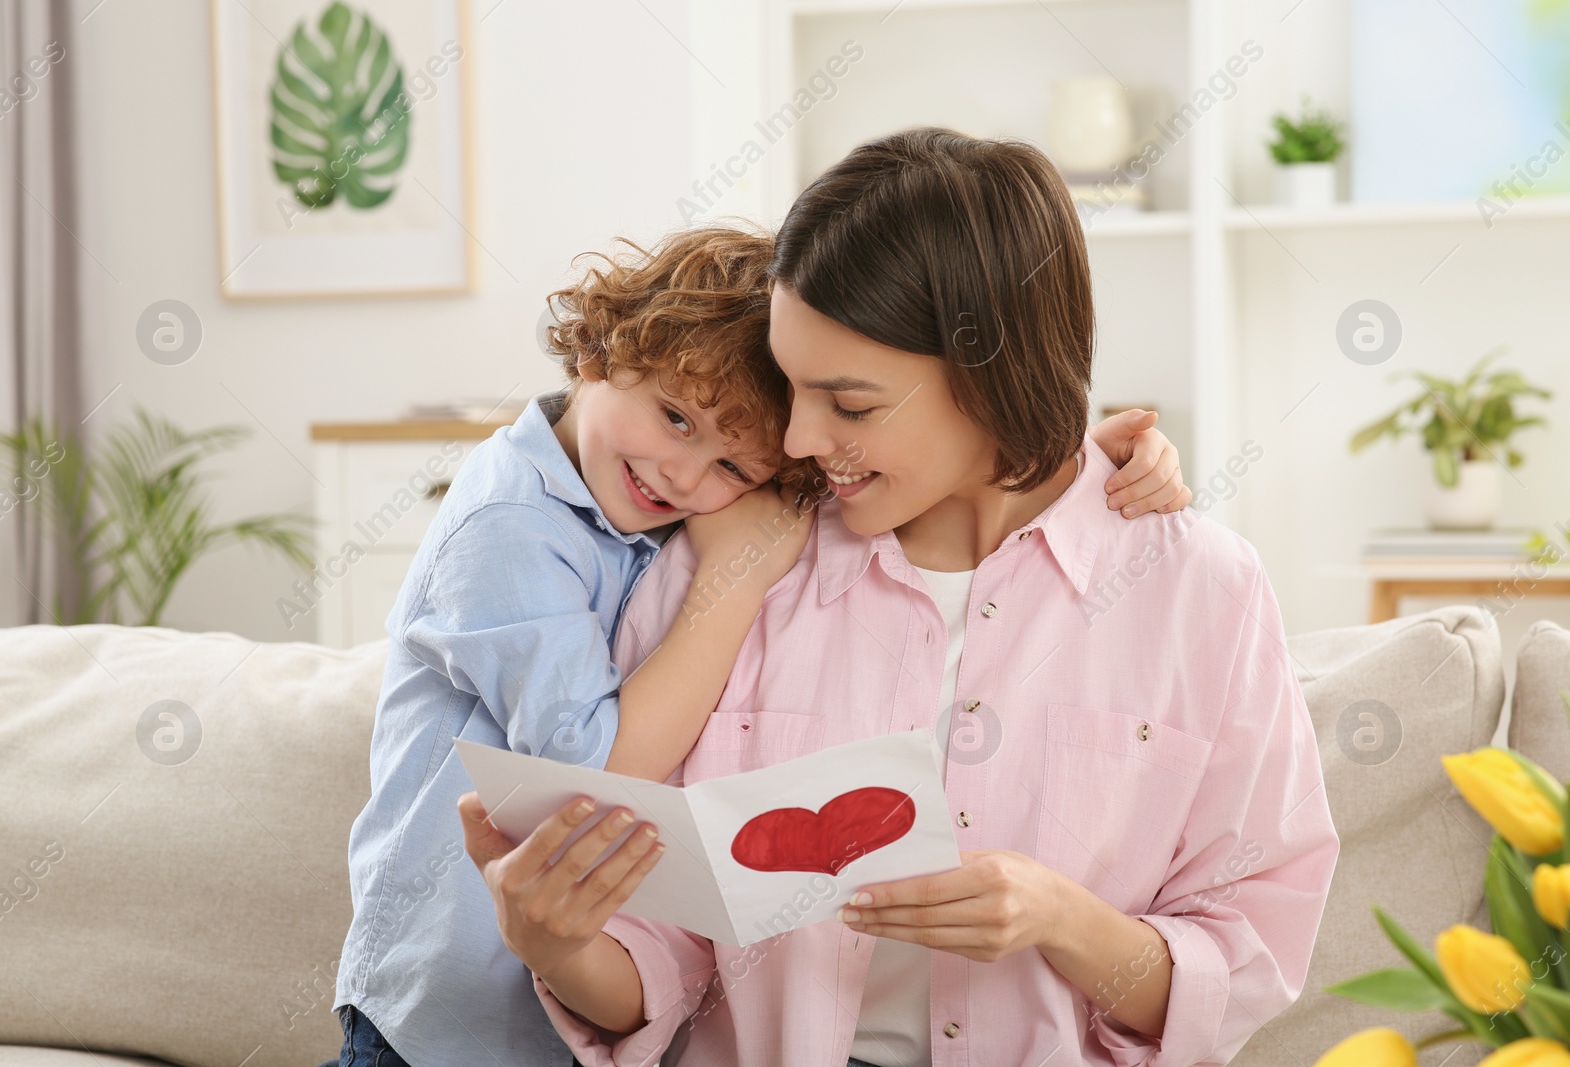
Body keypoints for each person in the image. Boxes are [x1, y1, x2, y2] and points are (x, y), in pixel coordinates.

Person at [462, 129, 1339, 1067]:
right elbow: (667, 955)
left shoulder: (1200, 592)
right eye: (791, 387)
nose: (797, 438)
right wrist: (559, 945)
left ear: (991, 374)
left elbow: (1246, 957)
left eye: (849, 404)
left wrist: (1060, 918)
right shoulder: (736, 559)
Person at [332, 223, 1191, 1066]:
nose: (684, 475)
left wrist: (1072, 467)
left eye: (735, 470)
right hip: (445, 1013)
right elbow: (598, 763)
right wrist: (736, 576)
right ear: (598, 351)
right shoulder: (508, 526)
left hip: (578, 1001)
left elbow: (891, 468)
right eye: (674, 418)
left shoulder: (643, 498)